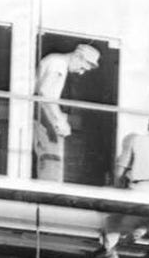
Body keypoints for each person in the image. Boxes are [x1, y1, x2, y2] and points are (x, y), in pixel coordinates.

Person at [32, 44, 101, 181]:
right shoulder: (59, 64)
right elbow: (46, 93)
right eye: (82, 67)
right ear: (77, 56)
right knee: (50, 156)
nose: (81, 72)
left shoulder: (57, 62)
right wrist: (60, 121)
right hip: (38, 111)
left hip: (38, 110)